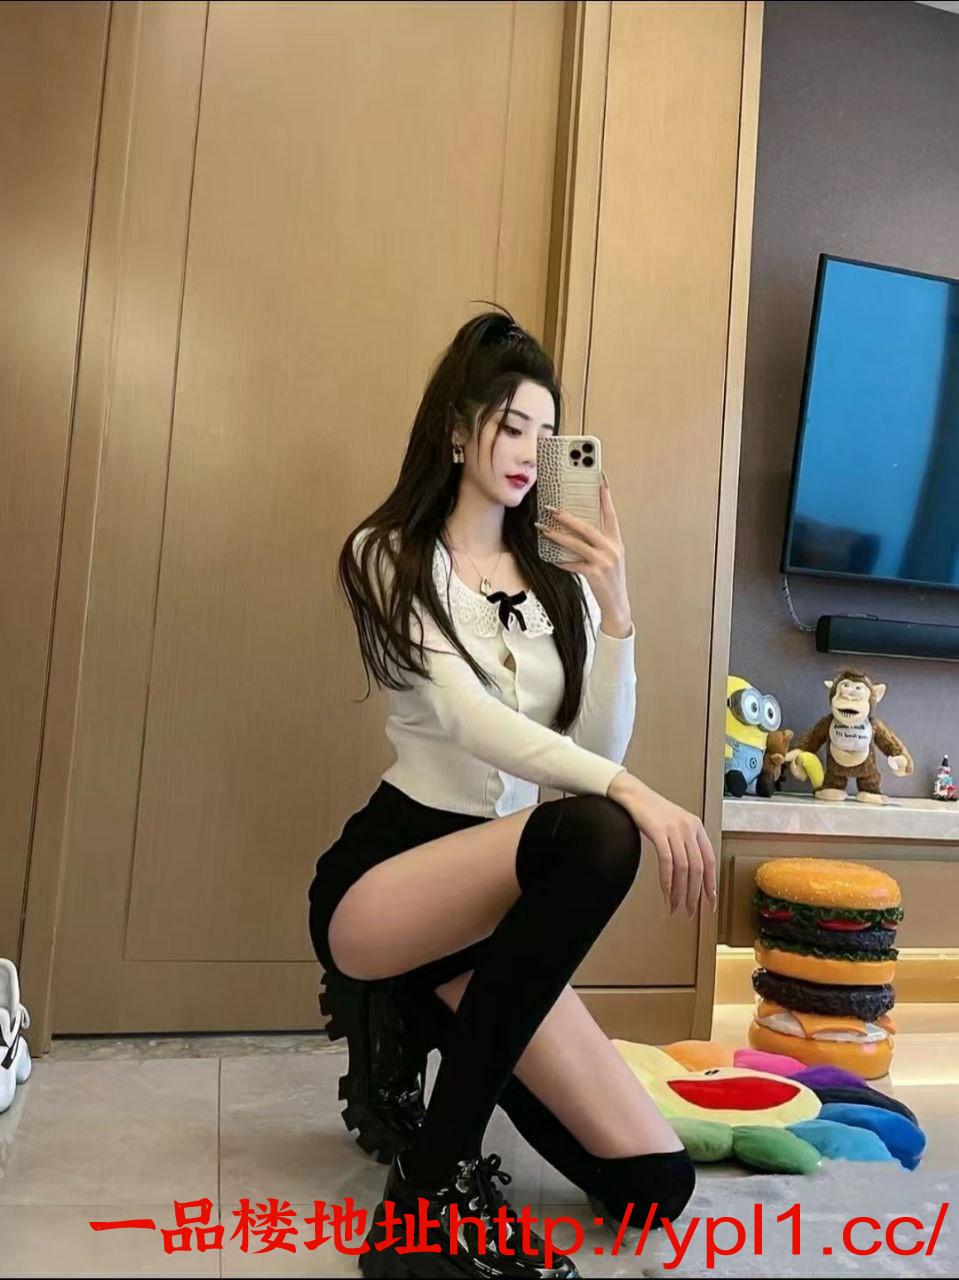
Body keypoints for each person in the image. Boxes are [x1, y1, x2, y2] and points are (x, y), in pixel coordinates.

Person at [307, 307, 716, 1279]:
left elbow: (583, 751)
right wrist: (633, 794)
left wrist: (615, 612)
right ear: (458, 430)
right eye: (509, 424)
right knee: (602, 832)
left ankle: (414, 1021)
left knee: (653, 1185)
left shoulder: (554, 582)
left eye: (546, 430)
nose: (530, 450)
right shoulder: (387, 552)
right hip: (394, 880)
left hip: (504, 892)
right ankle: (427, 1195)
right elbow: (463, 718)